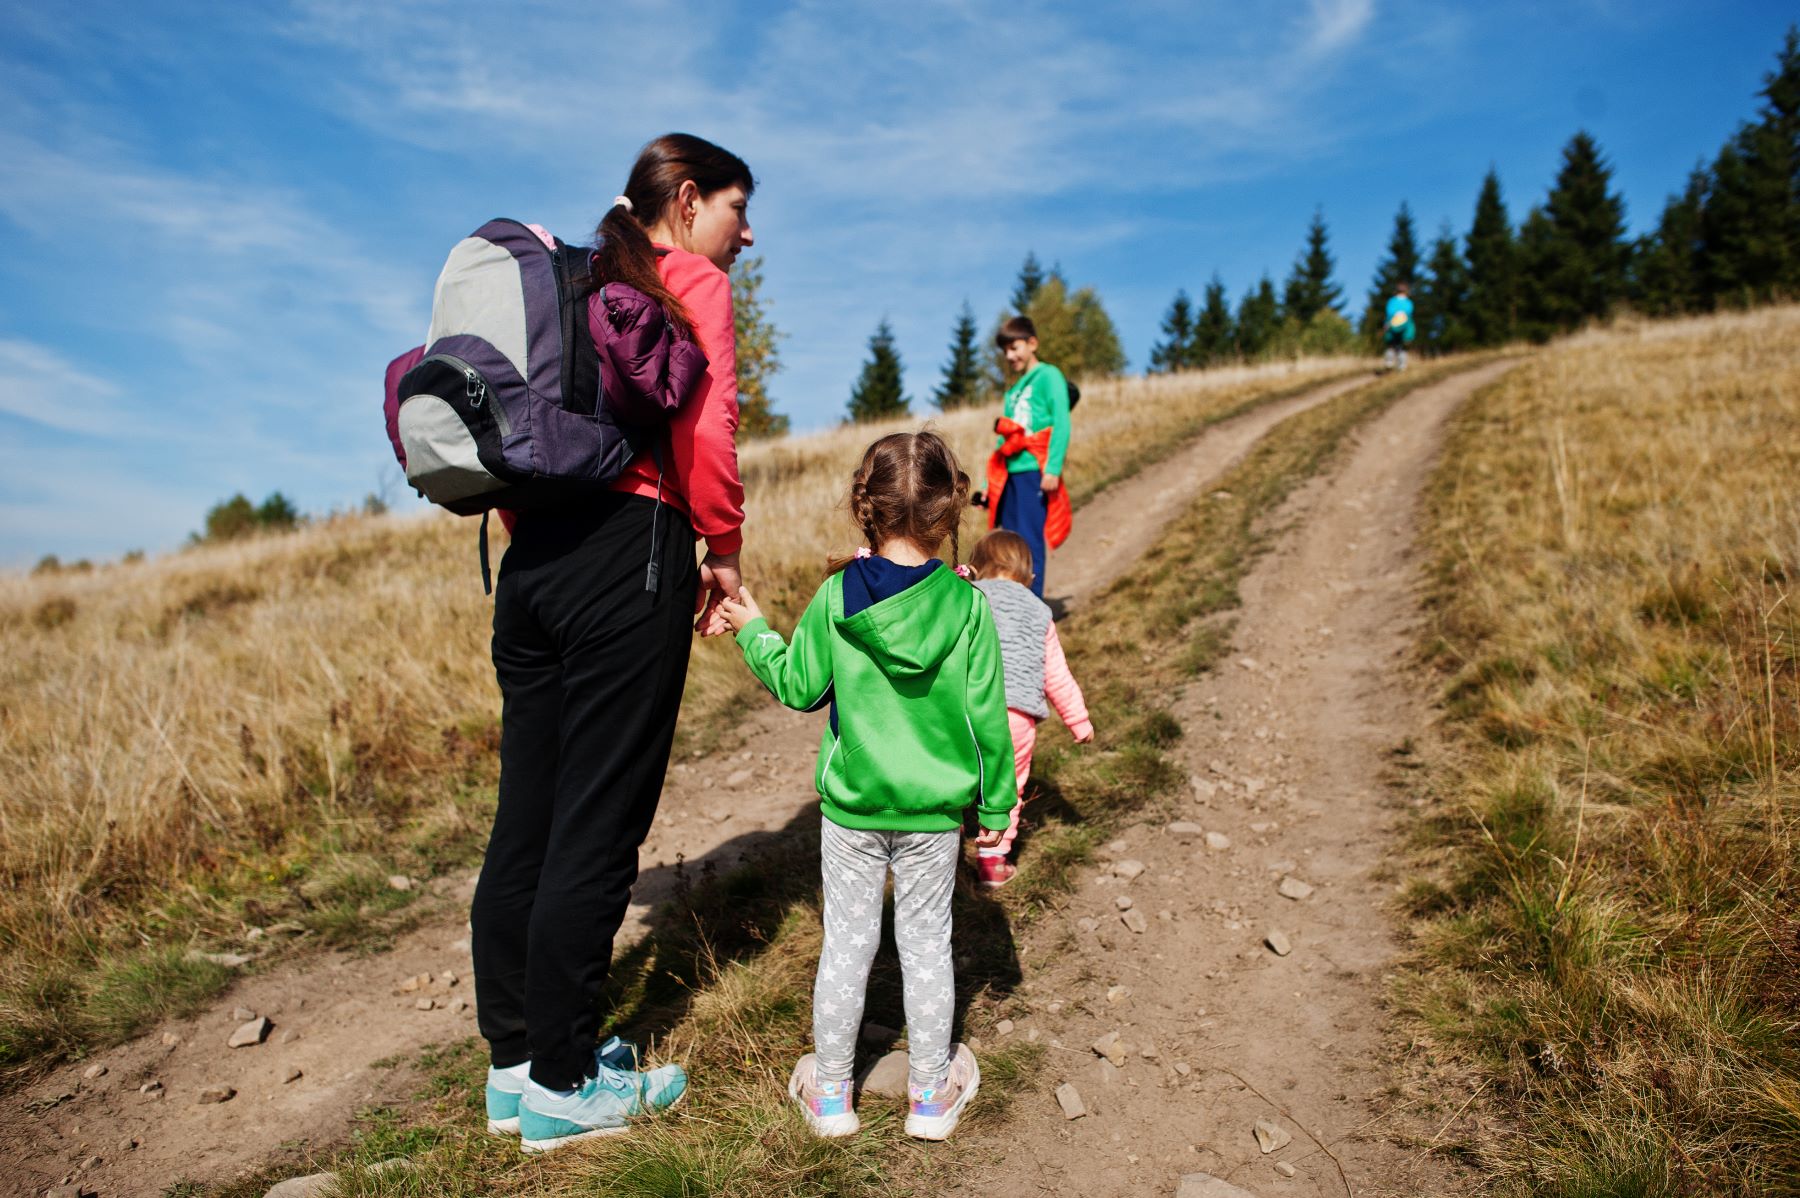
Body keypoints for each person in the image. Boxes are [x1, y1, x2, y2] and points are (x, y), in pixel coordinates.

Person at [471, 133, 754, 1154]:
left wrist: (544, 539)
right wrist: (719, 548)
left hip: (532, 568)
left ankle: (516, 1065)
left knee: (529, 823)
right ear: (685, 202)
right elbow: (705, 439)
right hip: (628, 554)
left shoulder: (579, 276)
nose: (746, 230)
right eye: (734, 207)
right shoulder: (688, 283)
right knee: (597, 824)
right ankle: (563, 1085)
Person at [710, 431, 1016, 1142]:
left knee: (847, 945)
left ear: (865, 509)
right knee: (926, 945)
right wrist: (998, 806)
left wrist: (753, 629)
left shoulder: (836, 595)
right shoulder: (969, 608)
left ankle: (832, 1096)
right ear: (948, 513)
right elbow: (989, 722)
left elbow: (797, 684)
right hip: (934, 814)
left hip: (850, 810)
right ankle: (932, 1098)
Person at [967, 530, 1095, 887]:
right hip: (1017, 718)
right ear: (1029, 576)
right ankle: (992, 863)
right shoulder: (1039, 611)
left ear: (976, 566)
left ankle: (944, 840)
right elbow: (1057, 674)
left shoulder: (968, 597)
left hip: (968, 709)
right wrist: (1079, 722)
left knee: (959, 771)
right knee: (1008, 787)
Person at [990, 316, 1072, 598]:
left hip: (1033, 472)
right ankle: (1013, 608)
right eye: (1005, 351)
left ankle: (1032, 609)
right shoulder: (1013, 391)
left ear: (1032, 343)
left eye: (1015, 348)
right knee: (1009, 544)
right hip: (1010, 474)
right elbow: (1006, 437)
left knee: (1029, 543)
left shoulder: (1049, 376)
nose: (1010, 356)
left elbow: (1061, 421)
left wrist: (1053, 468)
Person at [1384, 281, 1415, 371]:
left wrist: (1386, 325)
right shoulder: (1409, 303)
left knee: (1391, 346)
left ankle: (1389, 361)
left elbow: (1389, 314)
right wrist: (1410, 335)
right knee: (1402, 347)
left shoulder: (1392, 301)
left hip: (1392, 326)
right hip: (1405, 327)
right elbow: (1409, 316)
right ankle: (1401, 366)